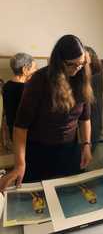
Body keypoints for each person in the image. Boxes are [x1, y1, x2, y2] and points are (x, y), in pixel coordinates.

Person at [0, 34, 94, 191]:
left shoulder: (82, 76)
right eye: (72, 65)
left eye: (81, 64)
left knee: (70, 197)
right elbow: (20, 127)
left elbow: (85, 118)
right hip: (39, 152)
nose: (77, 69)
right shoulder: (39, 80)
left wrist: (86, 145)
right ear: (59, 61)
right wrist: (19, 164)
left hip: (69, 150)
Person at [2, 53, 37, 138]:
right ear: (25, 70)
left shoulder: (6, 86)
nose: (36, 70)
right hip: (26, 134)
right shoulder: (27, 89)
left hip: (13, 132)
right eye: (34, 68)